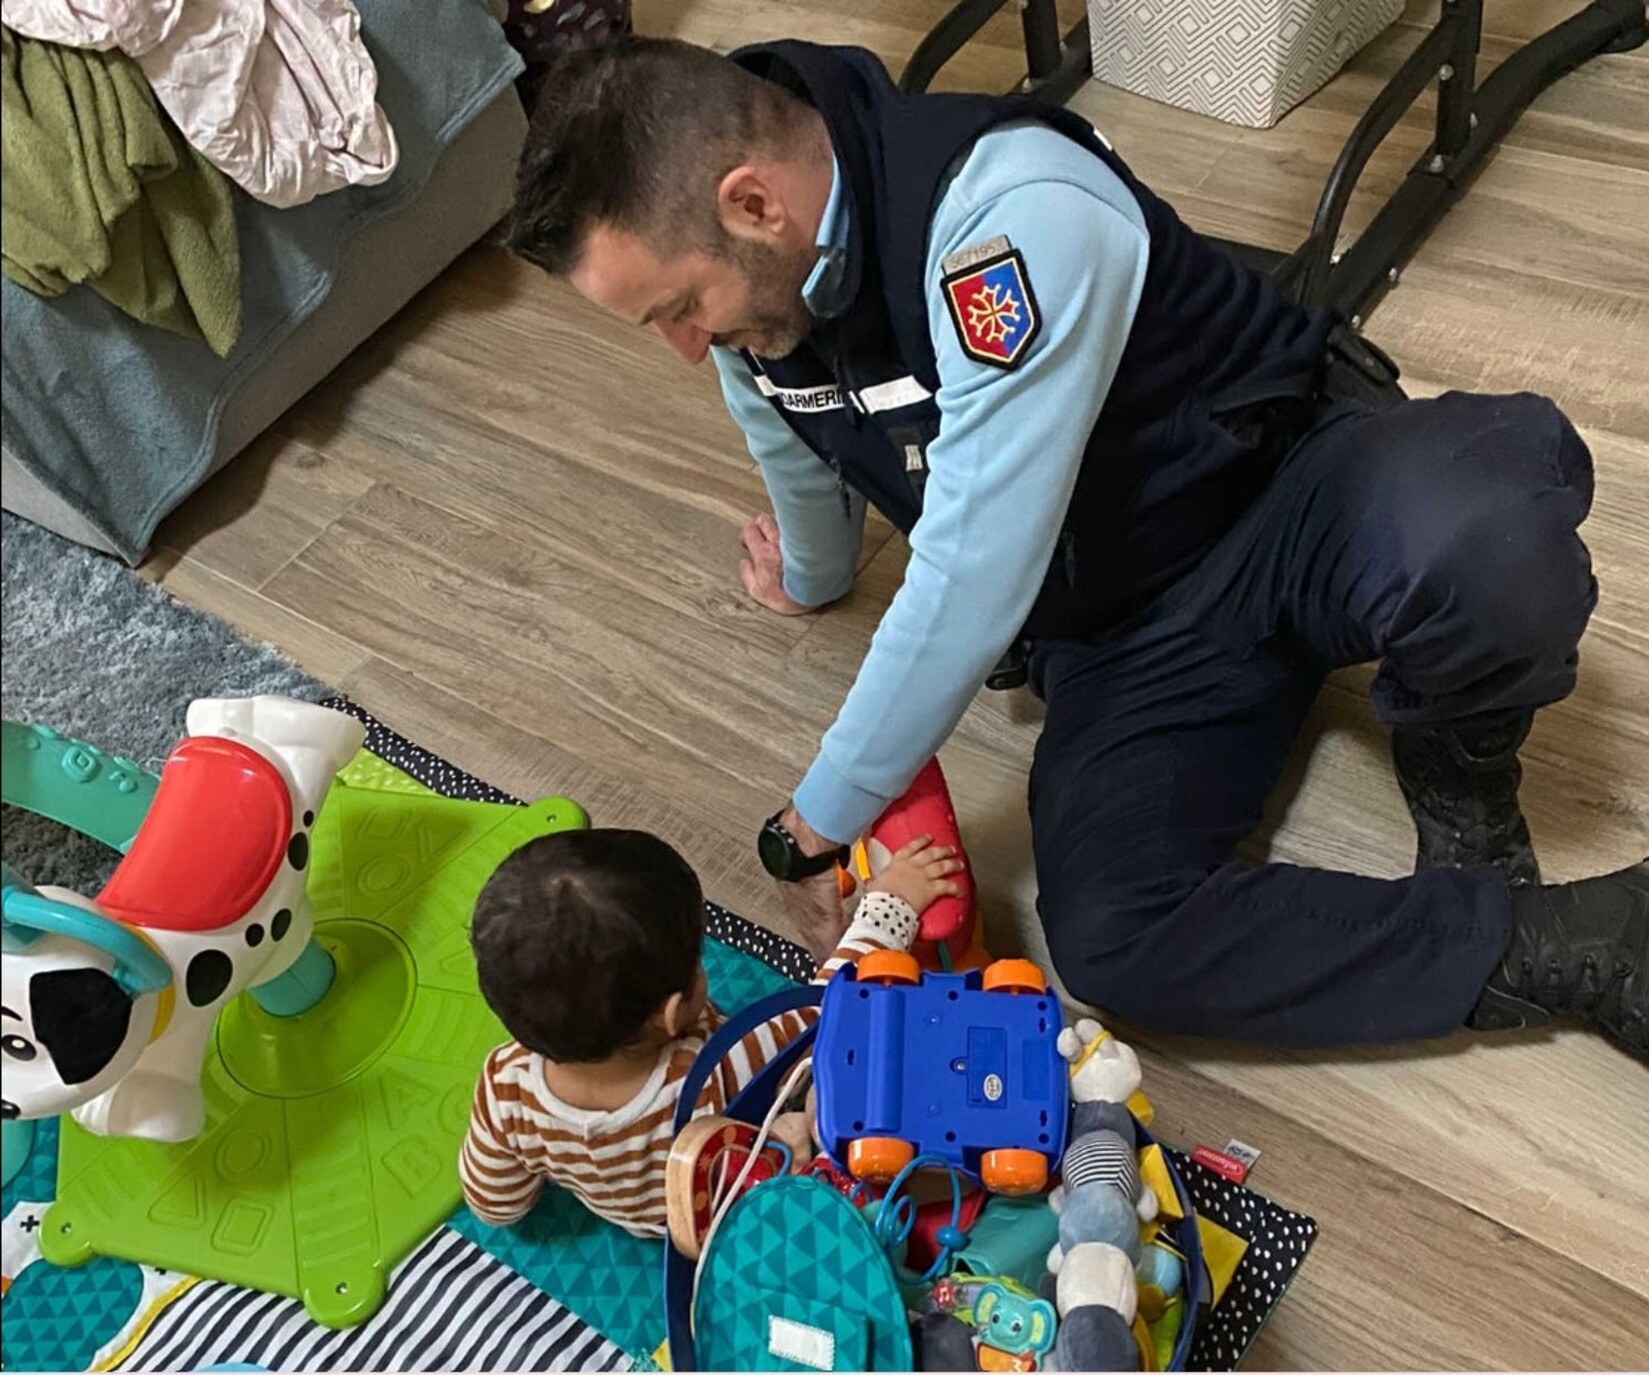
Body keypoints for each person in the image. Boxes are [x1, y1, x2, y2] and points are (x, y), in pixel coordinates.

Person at [502, 37, 1646, 1057]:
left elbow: (973, 562)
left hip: (1284, 488)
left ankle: (1460, 761)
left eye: (675, 308)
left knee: (1486, 543)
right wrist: (810, 577)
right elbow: (800, 452)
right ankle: (1567, 943)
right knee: (1112, 939)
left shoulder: (1008, 212)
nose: (683, 350)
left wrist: (811, 825)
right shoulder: (763, 317)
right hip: (1123, 633)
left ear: (753, 204)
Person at [458, 826, 963, 1235]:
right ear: (674, 1013)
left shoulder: (504, 1086)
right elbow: (826, 1007)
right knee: (819, 1115)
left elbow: (495, 1203)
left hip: (651, 1218)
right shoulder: (716, 1069)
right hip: (725, 1198)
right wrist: (891, 906)